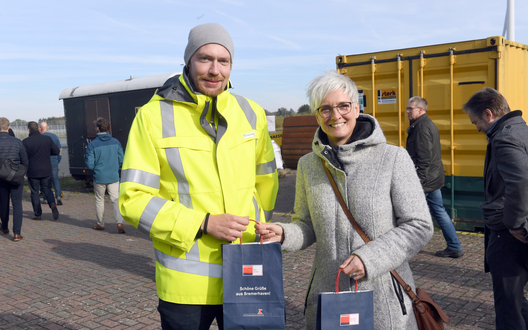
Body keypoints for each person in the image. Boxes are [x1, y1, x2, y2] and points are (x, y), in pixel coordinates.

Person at [118, 23, 278, 330]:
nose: (215, 70)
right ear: (189, 61)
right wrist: (202, 223)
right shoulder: (152, 117)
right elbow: (132, 199)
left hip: (247, 271)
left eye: (224, 61)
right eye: (205, 59)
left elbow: (266, 181)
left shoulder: (251, 113)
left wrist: (259, 229)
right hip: (186, 285)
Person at [255, 71, 433, 330]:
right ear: (317, 115)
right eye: (325, 109)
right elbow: (306, 225)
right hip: (329, 297)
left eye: (343, 106)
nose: (335, 115)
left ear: (357, 107)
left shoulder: (393, 158)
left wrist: (369, 259)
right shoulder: (308, 165)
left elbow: (419, 225)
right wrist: (283, 234)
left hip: (385, 301)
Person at [463, 87, 528, 329]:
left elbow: (520, 181)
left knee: (508, 305)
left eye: (475, 121)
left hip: (508, 233)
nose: (476, 127)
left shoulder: (505, 137)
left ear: (488, 114)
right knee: (515, 300)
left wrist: (514, 223)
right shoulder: (522, 130)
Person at [405, 96, 464, 258]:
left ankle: (405, 248)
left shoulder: (422, 127)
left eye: (411, 108)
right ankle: (454, 246)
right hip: (433, 178)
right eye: (407, 108)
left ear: (421, 110)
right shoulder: (425, 124)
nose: (407, 111)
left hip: (425, 180)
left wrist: (418, 182)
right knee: (439, 211)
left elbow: (424, 159)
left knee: (409, 213)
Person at [85, 118, 126, 233]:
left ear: (98, 129)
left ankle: (100, 224)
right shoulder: (116, 142)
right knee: (116, 199)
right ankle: (119, 222)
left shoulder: (92, 144)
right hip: (113, 176)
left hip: (99, 177)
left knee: (99, 200)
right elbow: (122, 159)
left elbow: (89, 164)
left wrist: (96, 169)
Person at [23, 121, 60, 221]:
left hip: (33, 171)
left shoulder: (25, 142)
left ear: (29, 130)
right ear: (38, 129)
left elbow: (23, 157)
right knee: (47, 189)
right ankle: (52, 205)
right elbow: (56, 151)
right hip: (46, 170)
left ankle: (38, 214)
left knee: (34, 192)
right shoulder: (47, 139)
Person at [0, 118, 28, 241]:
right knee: (17, 204)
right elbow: (25, 161)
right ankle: (17, 233)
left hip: (1, 178)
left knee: (3, 203)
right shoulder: (17, 142)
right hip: (15, 177)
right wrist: (21, 173)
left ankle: (5, 227)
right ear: (9, 127)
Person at [40, 122, 63, 205]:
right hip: (54, 160)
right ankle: (58, 196)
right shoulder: (55, 137)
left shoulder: (40, 137)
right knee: (55, 179)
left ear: (40, 129)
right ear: (48, 128)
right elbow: (59, 149)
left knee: (44, 180)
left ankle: (45, 198)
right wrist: (58, 159)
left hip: (43, 162)